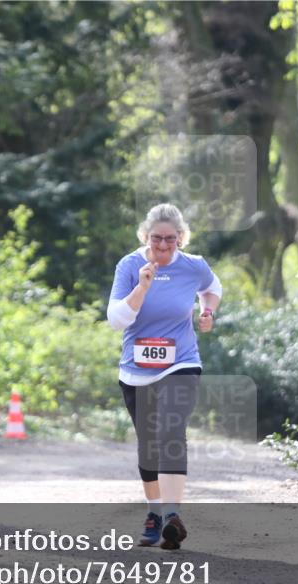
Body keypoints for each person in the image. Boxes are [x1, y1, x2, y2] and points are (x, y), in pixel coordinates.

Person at [106, 203, 222, 549]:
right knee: (148, 445)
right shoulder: (129, 266)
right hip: (136, 369)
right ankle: (154, 512)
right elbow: (116, 320)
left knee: (171, 431)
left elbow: (213, 287)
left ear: (181, 238)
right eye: (156, 238)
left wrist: (207, 310)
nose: (163, 245)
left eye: (171, 239)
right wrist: (142, 288)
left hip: (180, 363)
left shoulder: (193, 266)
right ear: (145, 236)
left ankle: (173, 516)